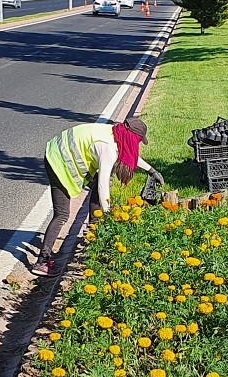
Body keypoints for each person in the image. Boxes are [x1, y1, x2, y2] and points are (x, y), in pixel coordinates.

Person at [35, 116, 158, 276]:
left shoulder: (117, 134)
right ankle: (42, 261)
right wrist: (107, 213)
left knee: (94, 192)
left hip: (62, 149)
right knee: (62, 214)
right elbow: (103, 184)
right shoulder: (108, 148)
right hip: (57, 158)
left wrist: (151, 170)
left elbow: (130, 155)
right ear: (133, 138)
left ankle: (94, 235)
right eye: (138, 141)